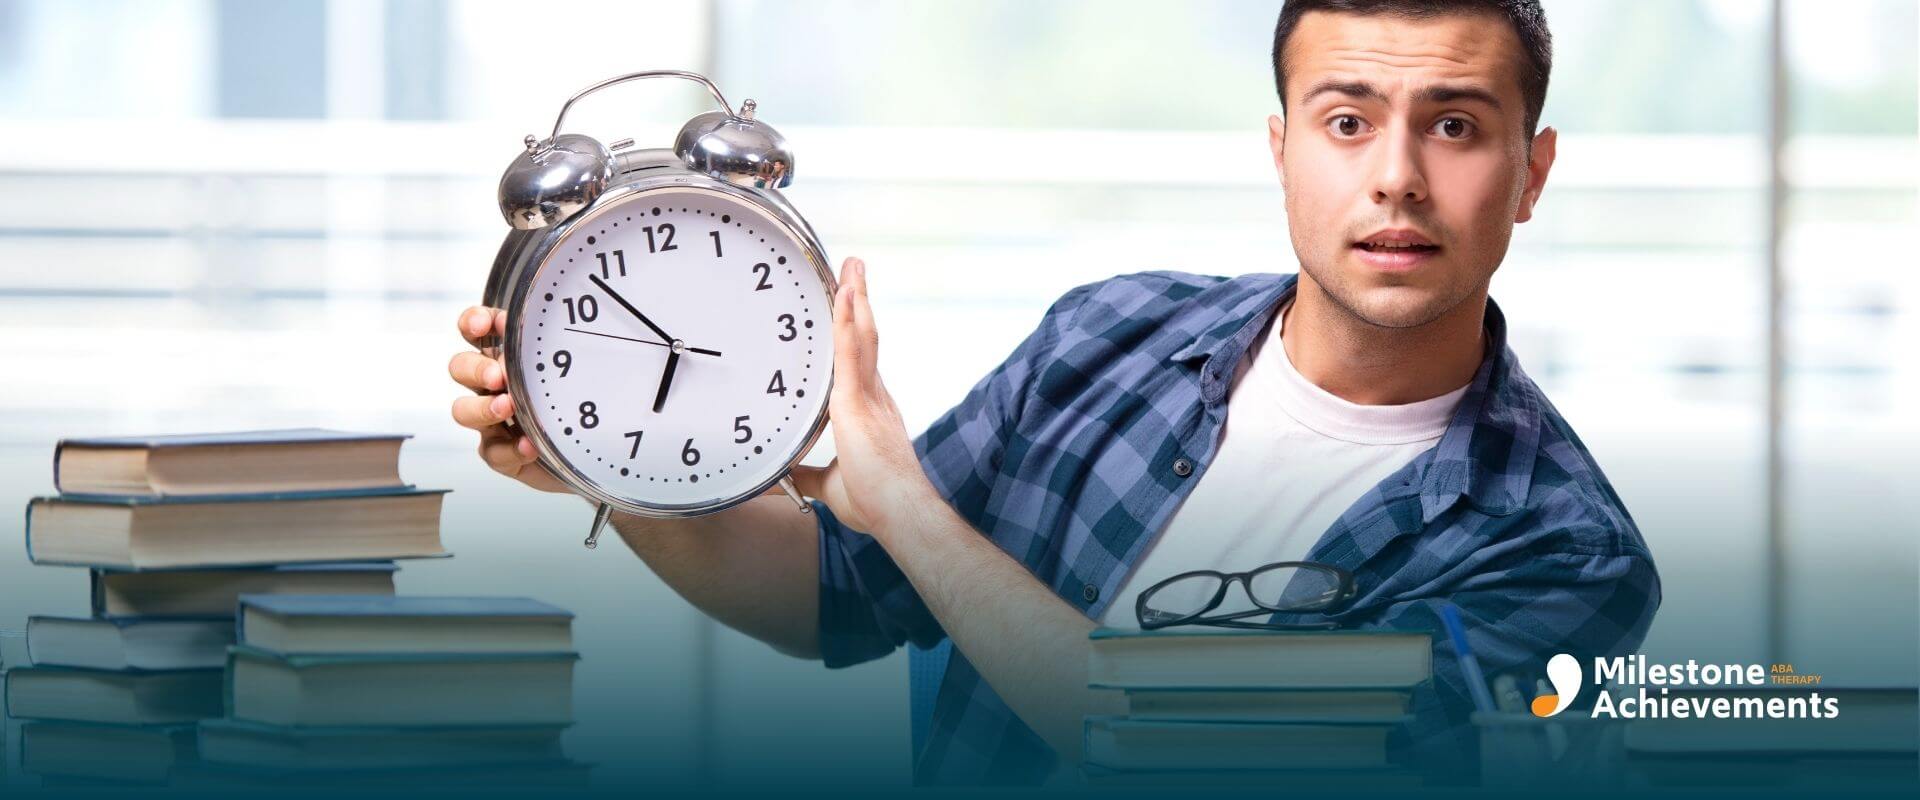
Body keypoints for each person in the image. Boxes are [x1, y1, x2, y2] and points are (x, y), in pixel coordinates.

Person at [449, 0, 1658, 785]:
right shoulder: (1109, 334)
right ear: (1282, 147)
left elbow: (1208, 755)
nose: (1396, 179)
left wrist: (906, 503)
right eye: (1348, 120)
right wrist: (618, 463)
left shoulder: (1570, 555)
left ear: (1531, 172)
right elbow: (838, 592)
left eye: (1454, 125)